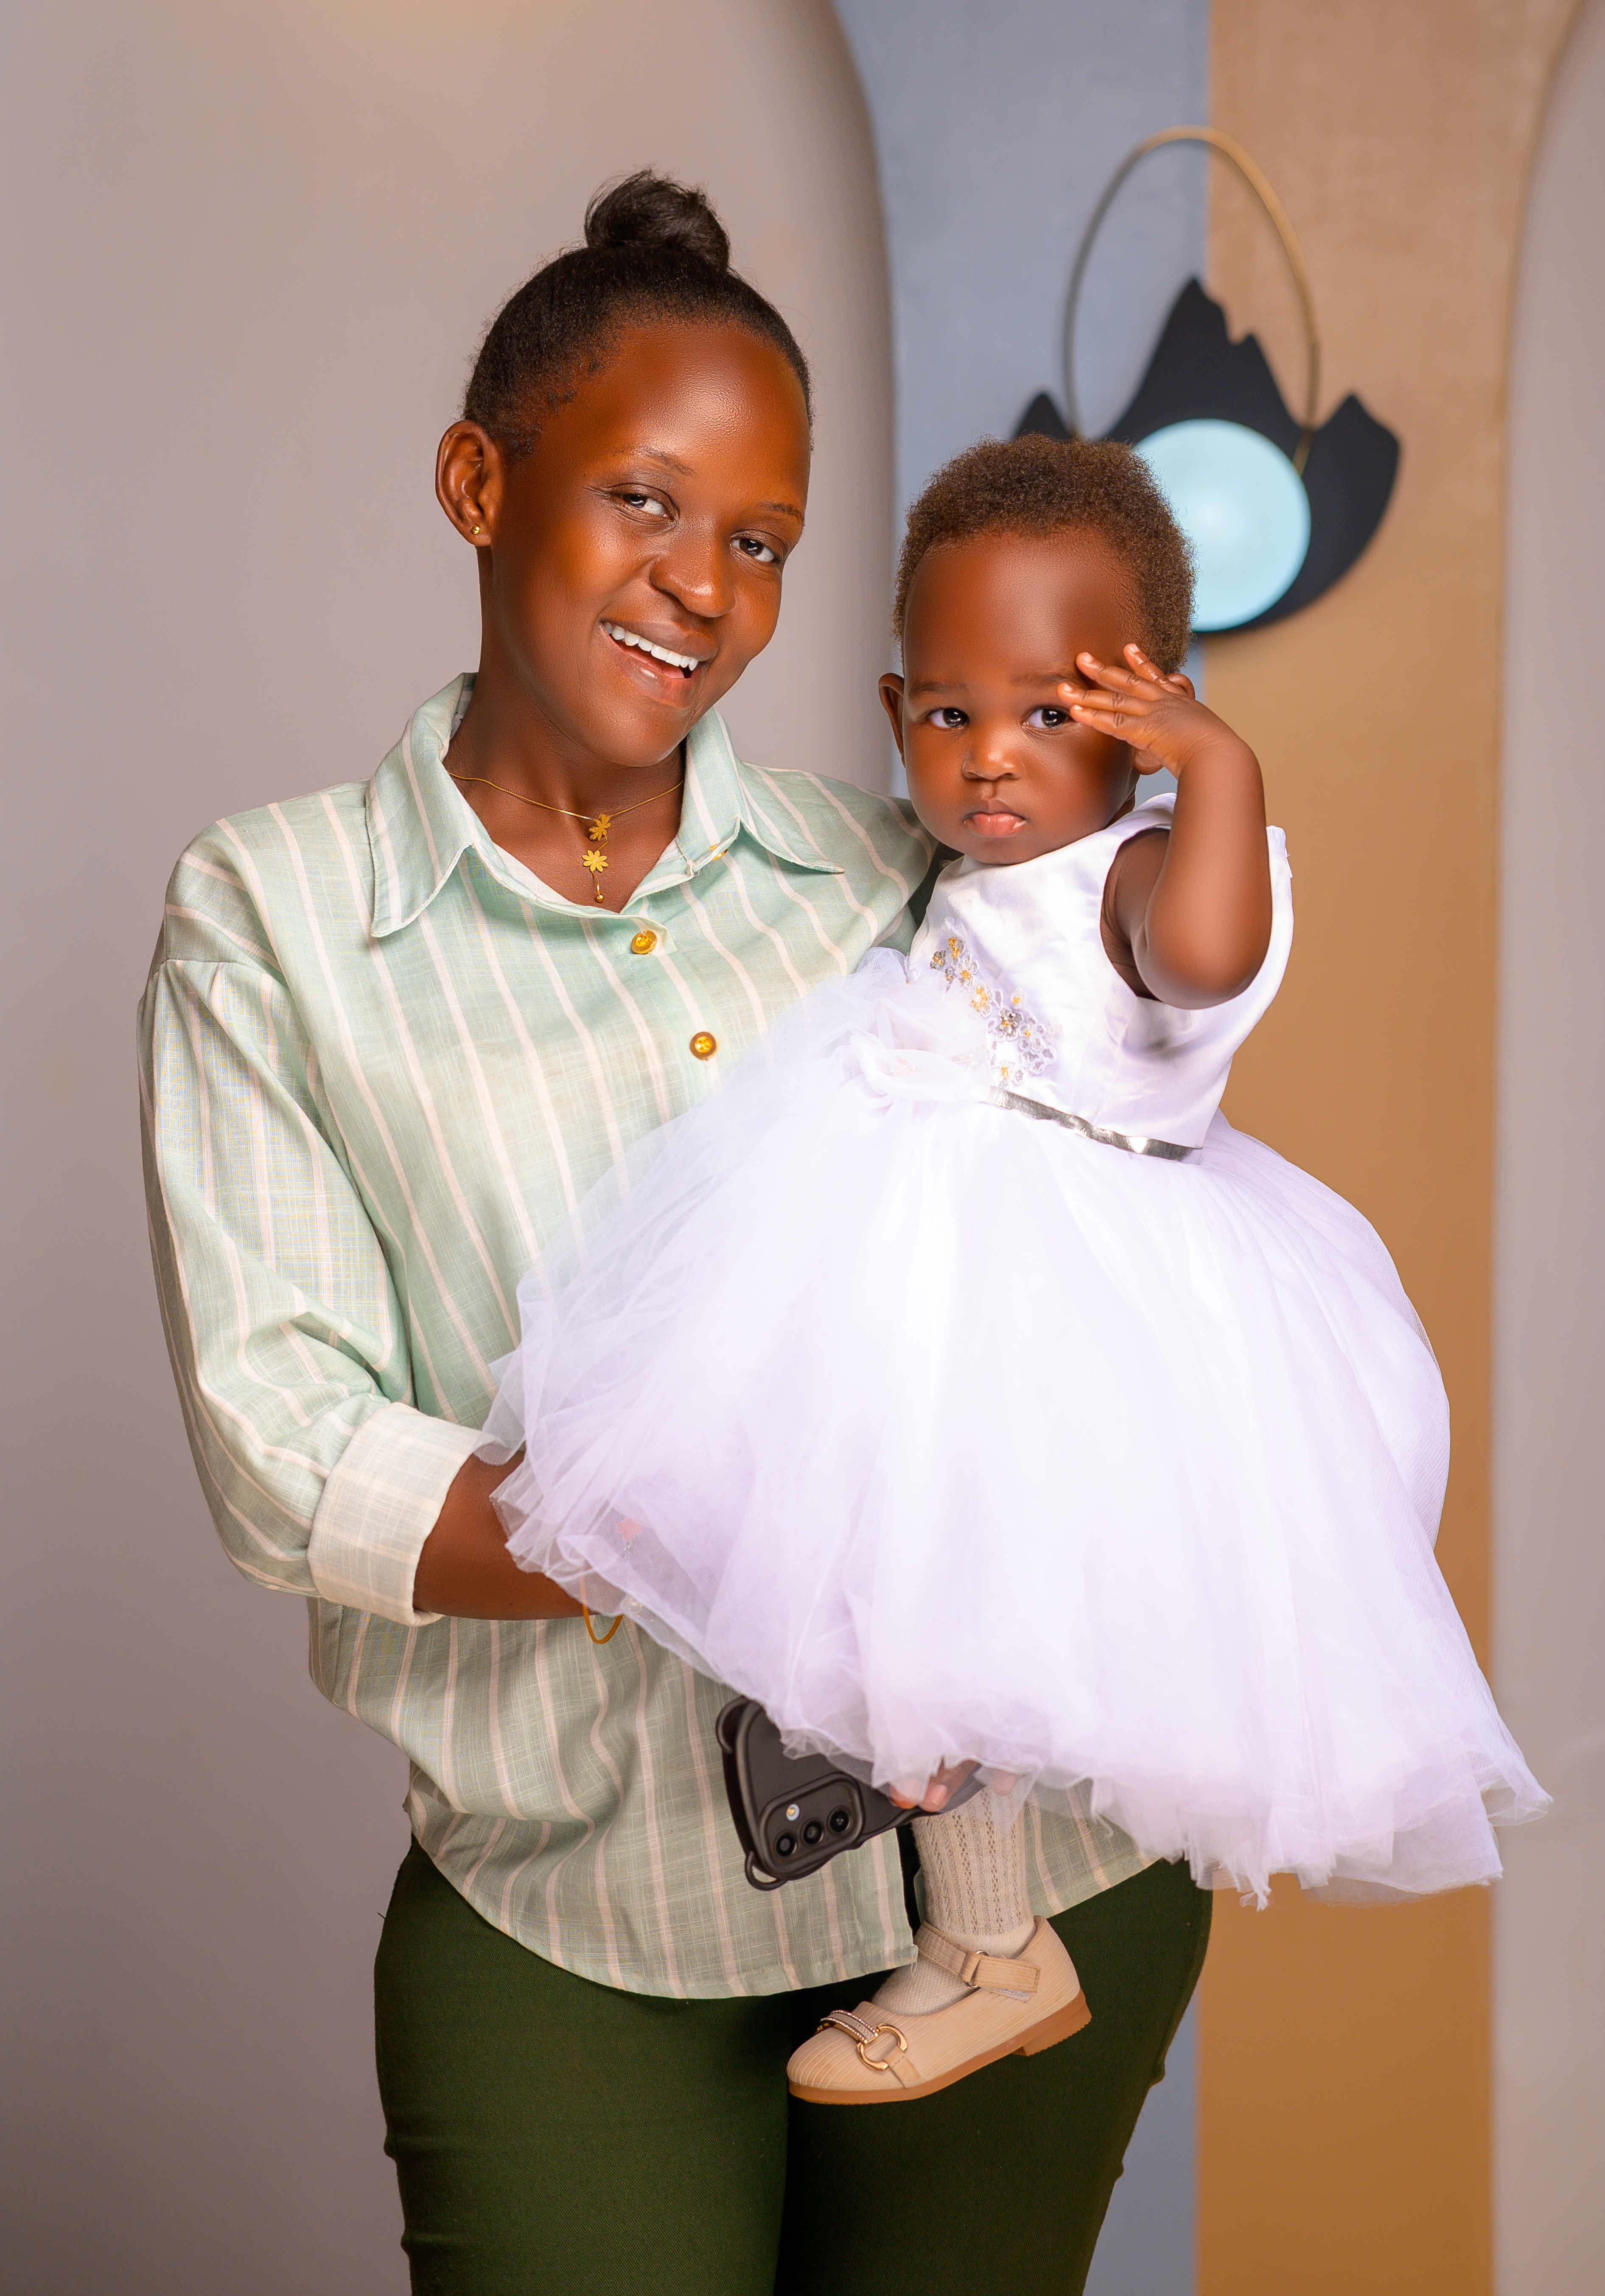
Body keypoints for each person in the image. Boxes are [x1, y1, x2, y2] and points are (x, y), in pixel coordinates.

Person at [139, 177, 1212, 2296]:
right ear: (480, 480)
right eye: (646, 499)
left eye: (765, 542)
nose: (704, 587)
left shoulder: (895, 875)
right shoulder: (274, 920)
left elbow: (1123, 1199)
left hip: (1034, 1882)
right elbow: (285, 1449)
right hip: (580, 1901)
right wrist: (701, 1518)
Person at [485, 431, 1547, 2105]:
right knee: (868, 1568)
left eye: (1054, 714)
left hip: (1053, 1278)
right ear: (896, 709)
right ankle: (980, 1931)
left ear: (1146, 713)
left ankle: (990, 1949)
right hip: (903, 1222)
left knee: (958, 1598)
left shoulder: (1146, 865)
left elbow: (1206, 957)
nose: (991, 758)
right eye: (947, 715)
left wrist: (1220, 767)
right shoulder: (985, 863)